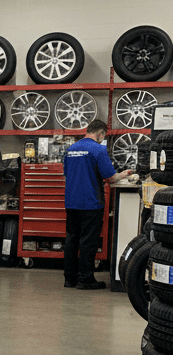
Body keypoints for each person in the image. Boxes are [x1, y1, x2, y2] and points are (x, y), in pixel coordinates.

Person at [62, 119, 132, 289]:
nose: (103, 139)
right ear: (100, 133)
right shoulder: (98, 149)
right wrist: (124, 174)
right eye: (103, 136)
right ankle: (85, 279)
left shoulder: (71, 149)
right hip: (90, 203)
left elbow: (66, 174)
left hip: (71, 202)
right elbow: (111, 177)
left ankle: (70, 279)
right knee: (88, 241)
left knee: (72, 239)